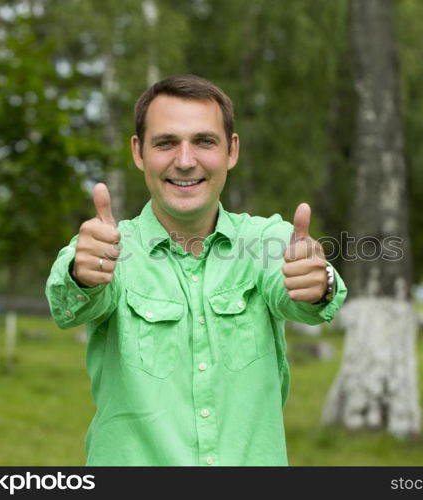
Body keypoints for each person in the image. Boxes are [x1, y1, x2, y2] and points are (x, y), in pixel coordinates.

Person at [45, 74, 347, 466]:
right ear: (138, 153)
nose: (185, 161)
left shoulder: (268, 240)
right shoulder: (108, 248)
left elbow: (301, 292)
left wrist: (317, 281)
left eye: (204, 142)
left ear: (231, 151)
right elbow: (68, 303)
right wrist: (81, 274)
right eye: (166, 143)